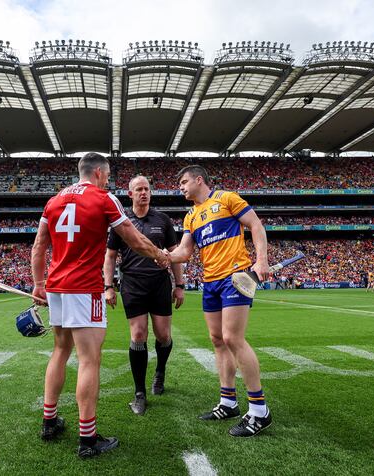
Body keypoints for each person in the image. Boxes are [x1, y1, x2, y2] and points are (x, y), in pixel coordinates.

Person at [31, 153, 170, 458]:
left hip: (56, 286)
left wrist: (39, 284)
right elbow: (133, 239)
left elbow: (40, 245)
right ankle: (88, 438)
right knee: (89, 360)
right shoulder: (104, 198)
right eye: (107, 175)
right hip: (84, 288)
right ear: (97, 172)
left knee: (60, 351)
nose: (108, 180)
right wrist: (161, 256)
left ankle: (49, 421)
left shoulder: (54, 200)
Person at [166, 164, 272, 438]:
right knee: (217, 339)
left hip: (236, 277)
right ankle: (228, 403)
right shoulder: (191, 216)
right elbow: (184, 251)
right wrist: (163, 256)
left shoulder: (227, 199)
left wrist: (261, 260)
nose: (181, 187)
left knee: (233, 338)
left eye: (184, 182)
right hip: (210, 282)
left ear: (199, 180)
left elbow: (255, 224)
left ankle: (260, 411)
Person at [103, 175, 185, 416]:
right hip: (132, 284)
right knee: (138, 334)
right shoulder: (121, 222)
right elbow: (109, 256)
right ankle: (139, 393)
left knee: (164, 335)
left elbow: (174, 254)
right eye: (138, 189)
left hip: (159, 284)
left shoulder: (163, 220)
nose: (143, 193)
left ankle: (160, 371)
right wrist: (108, 286)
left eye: (146, 189)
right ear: (130, 194)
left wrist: (179, 284)